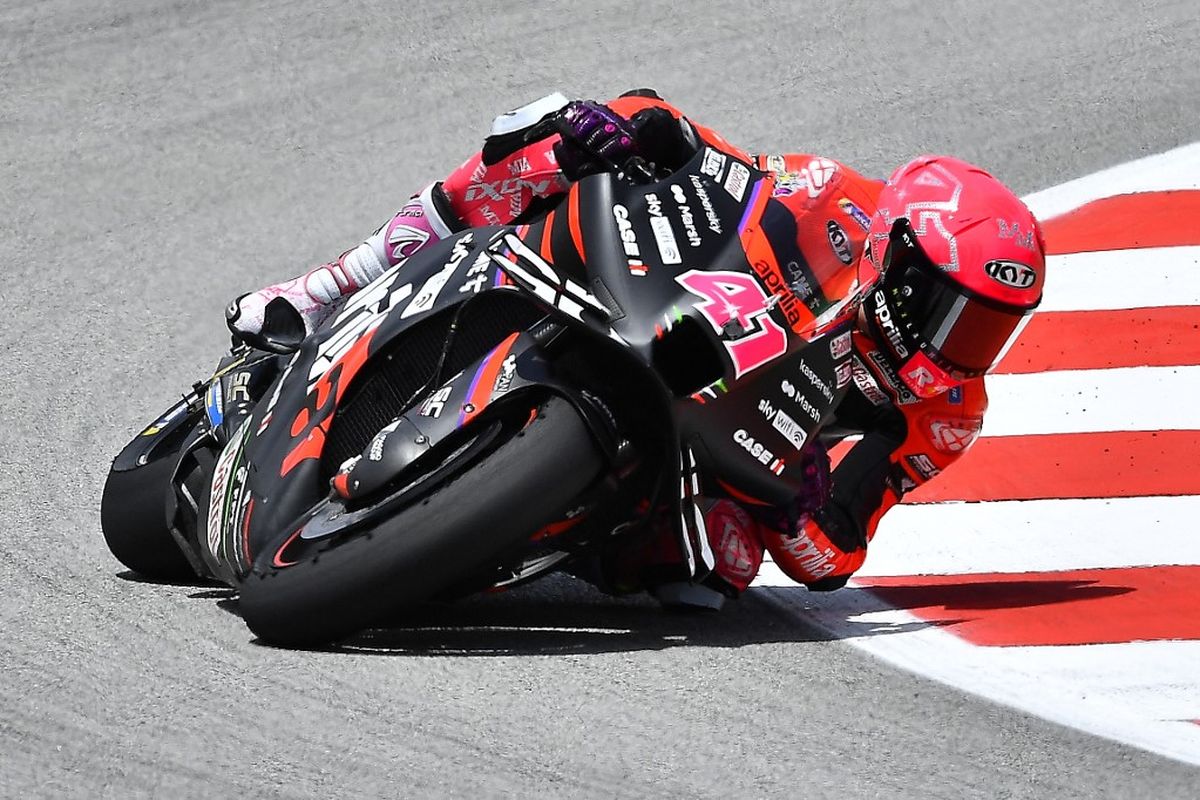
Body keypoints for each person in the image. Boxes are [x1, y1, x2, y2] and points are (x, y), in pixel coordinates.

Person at [226, 90, 1046, 606]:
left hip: (724, 452)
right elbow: (725, 169)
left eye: (990, 327)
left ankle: (488, 539)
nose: (960, 346)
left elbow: (834, 553)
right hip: (664, 307)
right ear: (896, 255)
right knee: (562, 137)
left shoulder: (946, 417)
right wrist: (651, 131)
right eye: (949, 312)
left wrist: (791, 505)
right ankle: (332, 284)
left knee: (715, 571)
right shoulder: (834, 198)